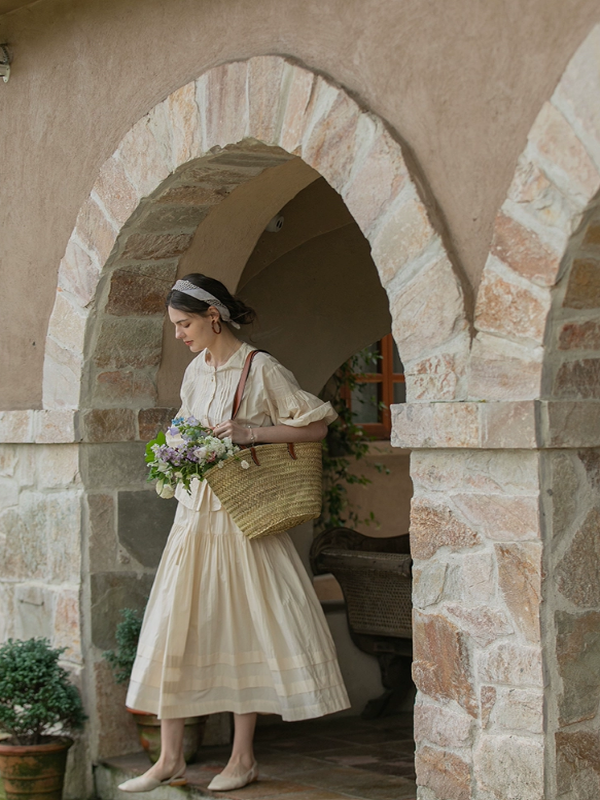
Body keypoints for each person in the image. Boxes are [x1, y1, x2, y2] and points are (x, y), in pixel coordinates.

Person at [118, 274, 350, 793]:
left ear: (212, 317)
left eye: (184, 324)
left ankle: (242, 759)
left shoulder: (261, 368)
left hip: (244, 521)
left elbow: (314, 426)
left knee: (246, 626)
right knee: (176, 628)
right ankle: (169, 759)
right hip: (194, 519)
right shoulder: (195, 371)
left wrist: (251, 432)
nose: (179, 334)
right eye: (176, 326)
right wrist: (175, 456)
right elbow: (184, 426)